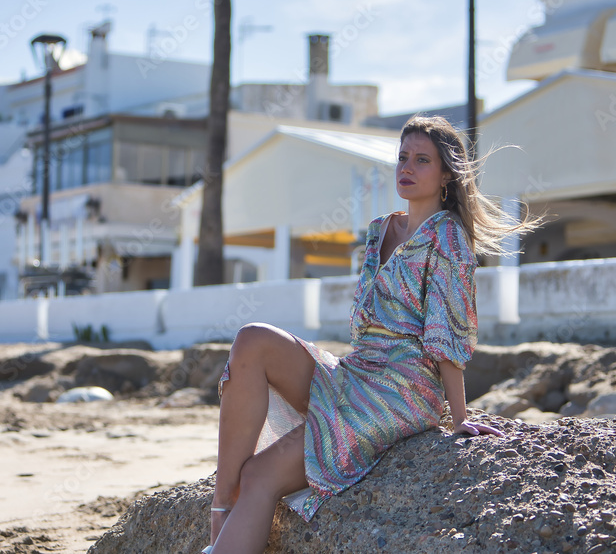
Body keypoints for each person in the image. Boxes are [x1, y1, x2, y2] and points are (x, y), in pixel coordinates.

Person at [203, 115, 541, 554]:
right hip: (356, 371)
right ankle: (222, 497)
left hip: (401, 390)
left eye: (423, 160)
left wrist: (459, 418)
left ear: (445, 175)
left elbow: (447, 333)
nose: (408, 167)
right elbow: (364, 327)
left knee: (262, 475)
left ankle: (223, 530)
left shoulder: (449, 238)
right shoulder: (381, 230)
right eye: (403, 157)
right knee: (252, 339)